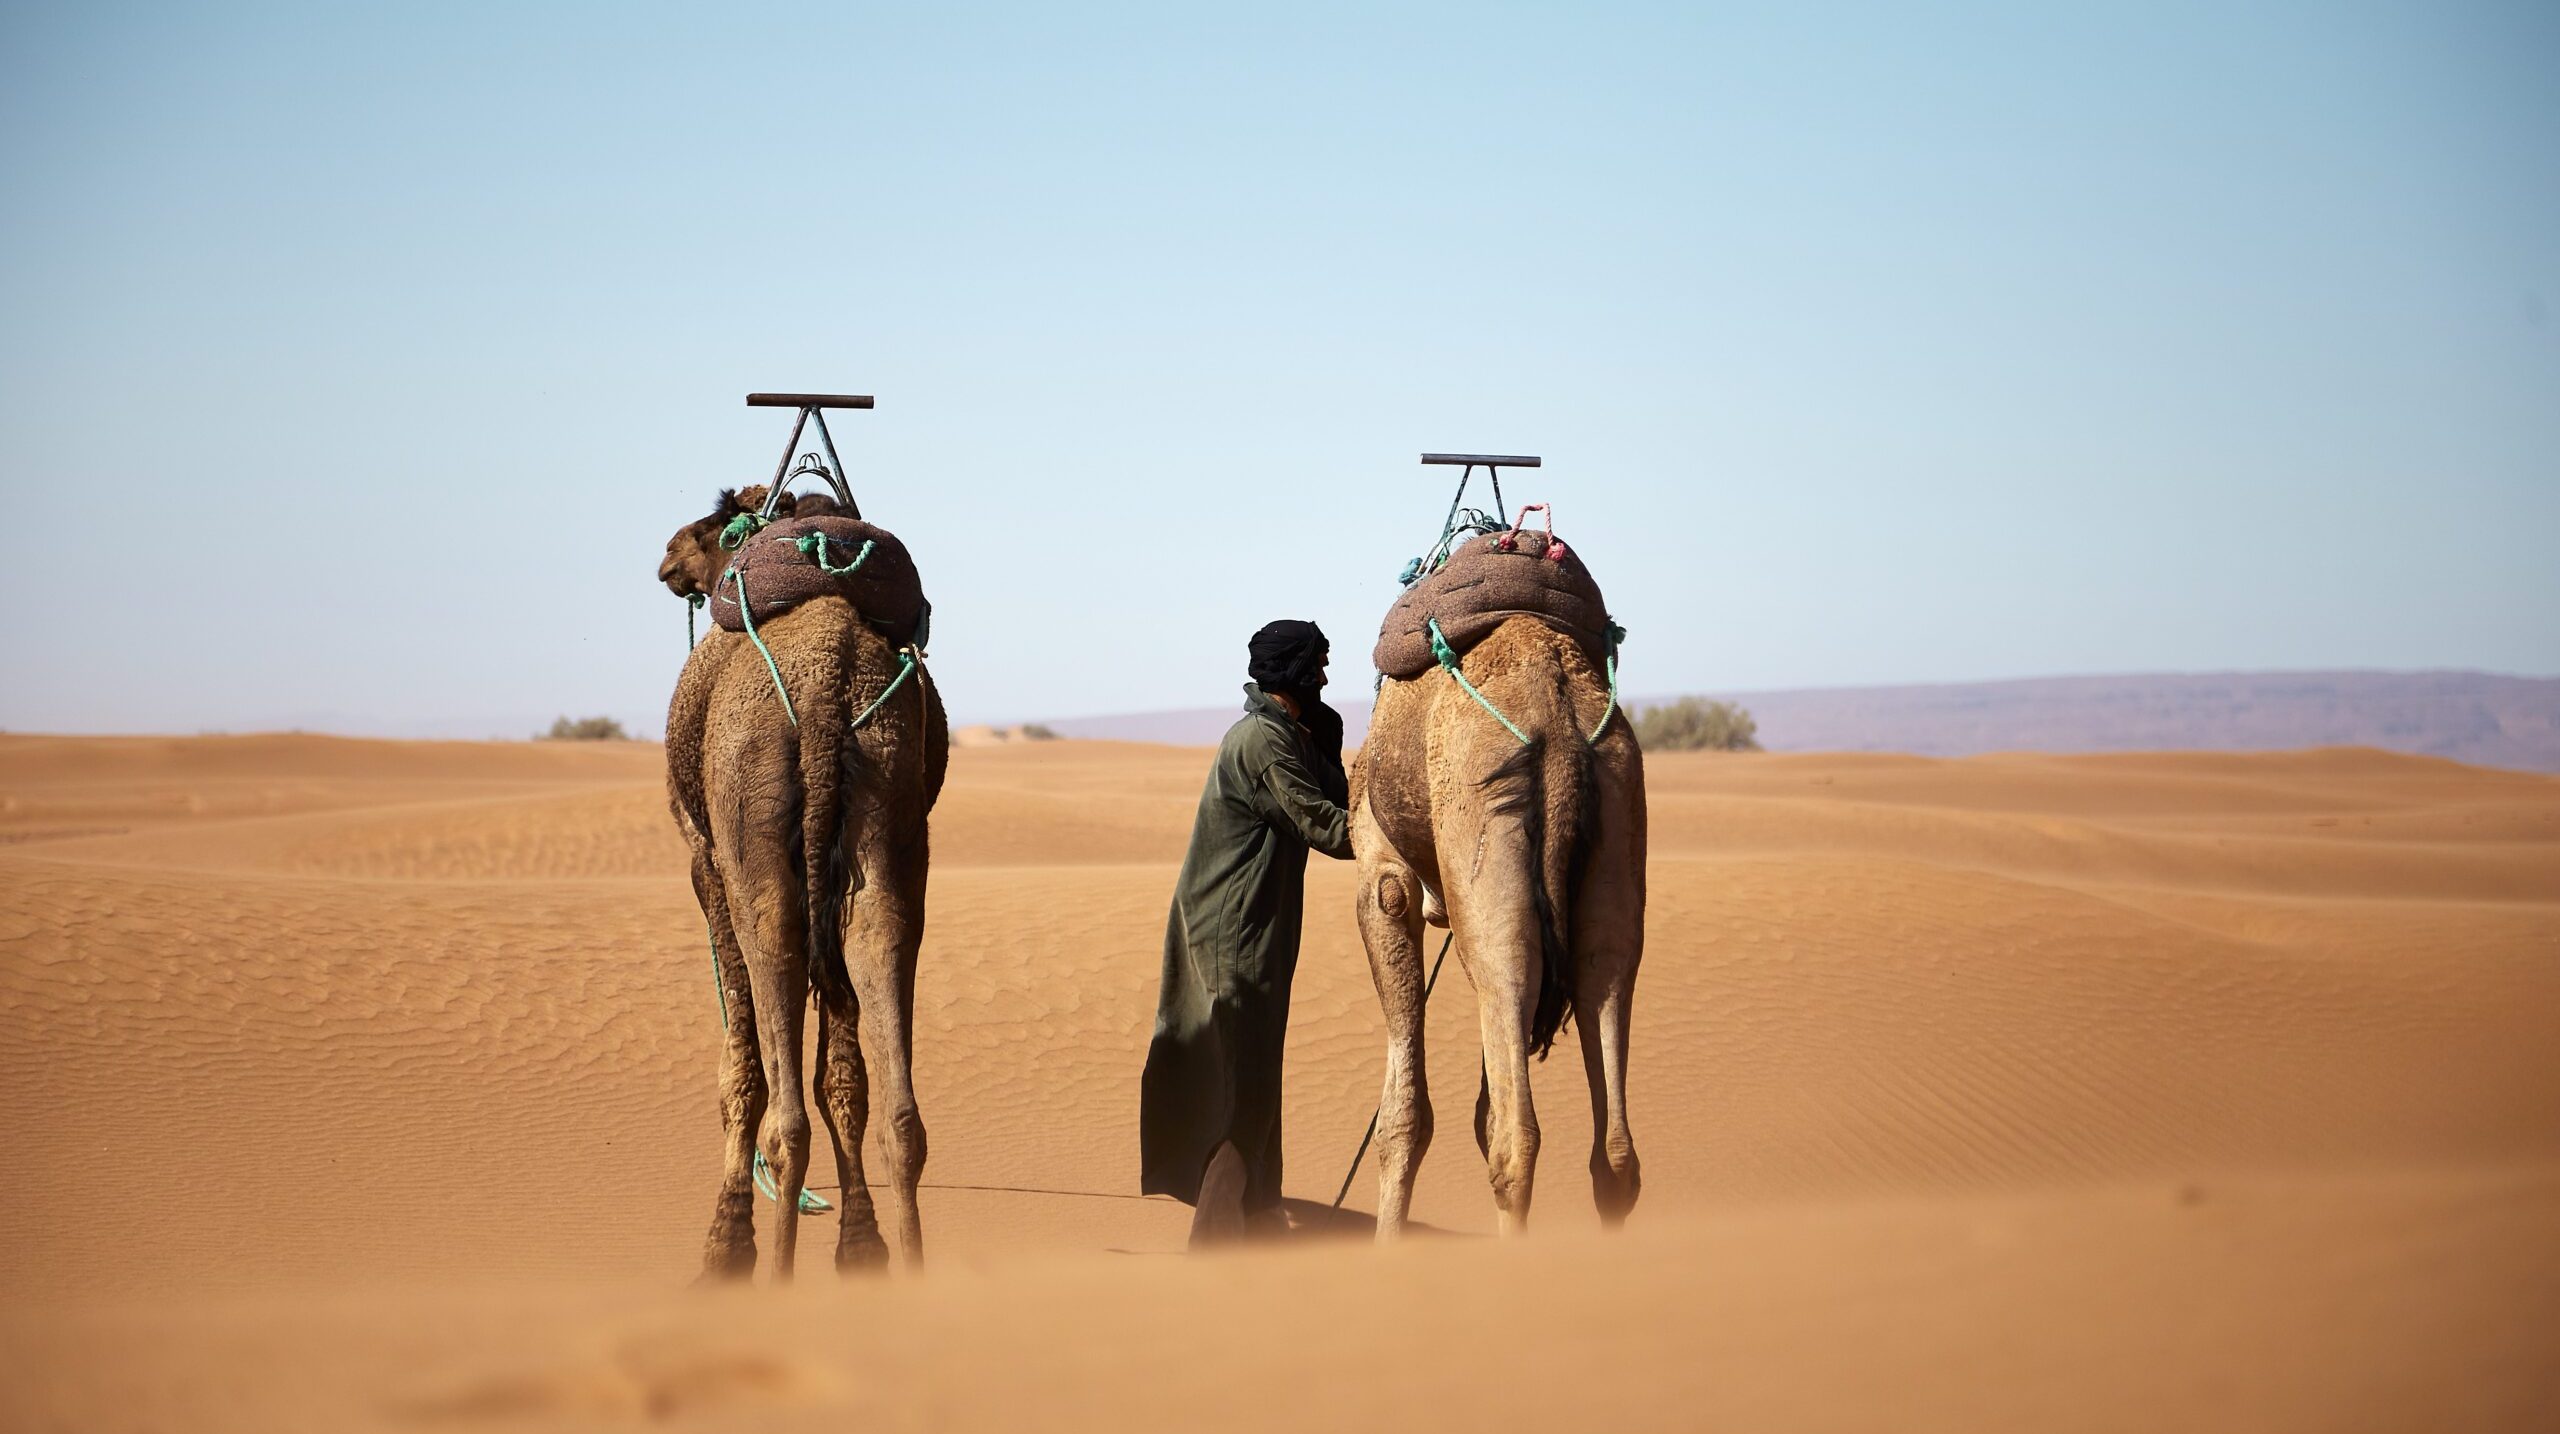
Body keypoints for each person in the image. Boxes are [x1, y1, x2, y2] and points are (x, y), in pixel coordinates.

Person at [1139, 619, 1355, 1246]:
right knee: (1245, 1085)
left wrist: (1330, 743)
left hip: (1261, 924)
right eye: (1315, 664)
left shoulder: (1289, 732)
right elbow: (1324, 825)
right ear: (1289, 671)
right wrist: (1408, 838)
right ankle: (1214, 1240)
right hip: (1233, 929)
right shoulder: (1262, 741)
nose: (1322, 675)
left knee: (1255, 1072)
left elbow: (1329, 799)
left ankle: (1258, 1221)